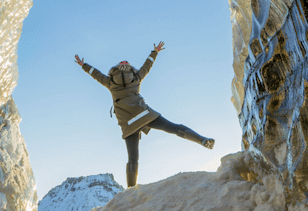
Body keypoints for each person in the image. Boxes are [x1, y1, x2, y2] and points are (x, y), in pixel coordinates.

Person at [75, 41, 215, 187]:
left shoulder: (110, 82)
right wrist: (155, 52)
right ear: (130, 68)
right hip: (145, 115)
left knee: (133, 159)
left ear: (115, 69)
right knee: (174, 128)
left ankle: (130, 191)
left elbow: (96, 74)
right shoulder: (136, 77)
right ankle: (203, 140)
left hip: (128, 124)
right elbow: (147, 67)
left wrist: (83, 65)